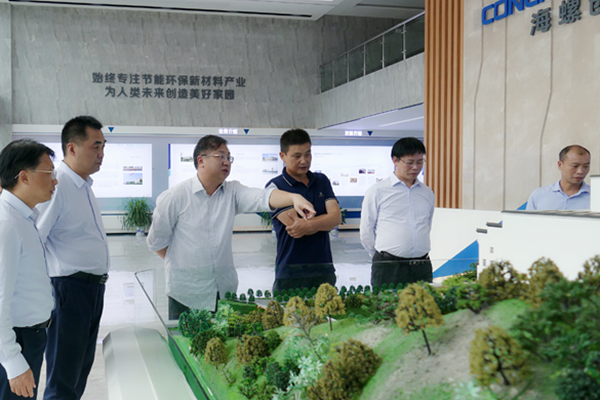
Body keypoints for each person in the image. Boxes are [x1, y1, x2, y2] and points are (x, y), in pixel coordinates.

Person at [147, 135, 316, 319]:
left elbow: (260, 197)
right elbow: (156, 242)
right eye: (221, 156)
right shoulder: (174, 197)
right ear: (201, 160)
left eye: (229, 157)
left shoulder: (232, 192)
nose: (226, 162)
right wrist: (183, 263)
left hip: (224, 292)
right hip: (186, 295)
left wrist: (293, 198)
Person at [36, 116, 109, 400]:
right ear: (72, 147)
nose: (101, 153)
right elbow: (35, 239)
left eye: (103, 147)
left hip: (91, 289)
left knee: (79, 372)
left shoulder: (83, 185)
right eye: (95, 146)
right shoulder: (58, 185)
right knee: (64, 377)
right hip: (69, 290)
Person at [0, 139, 57, 399]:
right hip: (16, 340)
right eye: (49, 173)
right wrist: (13, 362)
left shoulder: (22, 218)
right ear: (24, 177)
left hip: (28, 336)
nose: (55, 181)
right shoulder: (7, 225)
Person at [265, 129, 341, 292]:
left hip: (324, 269)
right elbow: (295, 226)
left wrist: (310, 224)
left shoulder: (321, 181)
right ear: (283, 156)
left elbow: (335, 218)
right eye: (297, 156)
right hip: (290, 272)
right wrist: (323, 221)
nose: (304, 160)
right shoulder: (276, 188)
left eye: (308, 154)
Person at [360, 137, 435, 287]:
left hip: (422, 266)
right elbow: (366, 230)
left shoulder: (427, 193)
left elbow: (427, 225)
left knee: (423, 302)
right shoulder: (378, 191)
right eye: (409, 162)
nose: (415, 167)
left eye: (420, 162)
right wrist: (381, 256)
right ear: (395, 160)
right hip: (389, 267)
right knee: (386, 303)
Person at [526, 145, 591, 211]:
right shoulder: (539, 195)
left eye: (586, 166)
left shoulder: (594, 196)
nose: (580, 171)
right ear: (560, 165)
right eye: (575, 166)